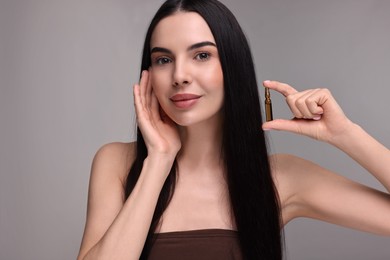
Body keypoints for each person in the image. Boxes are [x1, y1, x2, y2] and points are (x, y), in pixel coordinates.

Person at [77, 0, 390, 259]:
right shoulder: (116, 163)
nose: (179, 75)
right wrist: (158, 161)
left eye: (201, 55)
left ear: (232, 66)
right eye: (163, 59)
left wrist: (344, 133)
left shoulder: (280, 178)